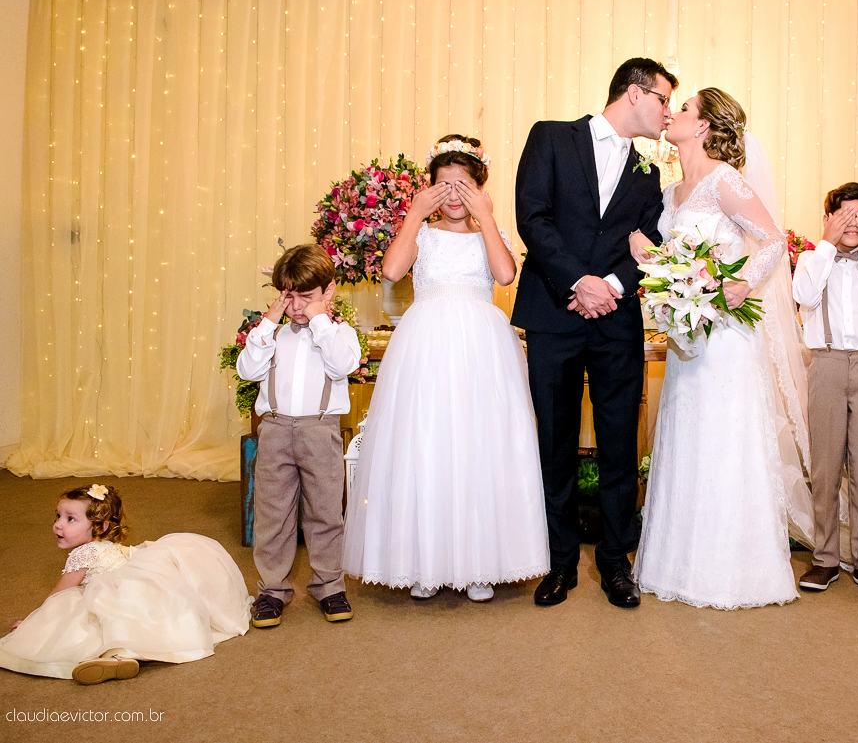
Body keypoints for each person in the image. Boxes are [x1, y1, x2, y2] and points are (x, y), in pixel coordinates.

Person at [342, 135, 549, 602]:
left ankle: (480, 562)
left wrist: (489, 216)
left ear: (479, 188)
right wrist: (414, 214)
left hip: (481, 345)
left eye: (464, 185)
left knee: (479, 444)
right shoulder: (424, 234)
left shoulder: (486, 233)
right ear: (429, 190)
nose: (453, 195)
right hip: (427, 343)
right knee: (426, 442)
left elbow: (504, 274)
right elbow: (393, 271)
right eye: (443, 185)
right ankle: (424, 560)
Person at [632, 88, 815, 610]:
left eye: (683, 109)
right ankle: (677, 564)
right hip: (688, 336)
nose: (673, 114)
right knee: (687, 437)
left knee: (724, 441)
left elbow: (774, 241)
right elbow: (670, 257)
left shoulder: (725, 181)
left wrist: (739, 285)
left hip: (727, 339)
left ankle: (734, 569)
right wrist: (653, 263)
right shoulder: (669, 194)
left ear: (706, 126)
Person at [513, 58, 676, 608]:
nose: (668, 113)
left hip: (616, 321)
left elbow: (651, 240)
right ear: (635, 93)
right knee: (554, 442)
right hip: (554, 315)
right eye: (663, 100)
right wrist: (578, 281)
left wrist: (607, 284)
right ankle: (559, 563)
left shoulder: (649, 175)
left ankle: (615, 561)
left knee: (618, 446)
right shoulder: (551, 138)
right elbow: (532, 217)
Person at [0, 485, 250, 685]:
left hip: (117, 600)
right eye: (58, 516)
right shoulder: (110, 548)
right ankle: (124, 656)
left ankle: (114, 656)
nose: (58, 524)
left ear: (102, 526)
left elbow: (60, 592)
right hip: (141, 599)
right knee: (133, 626)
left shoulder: (82, 554)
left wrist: (33, 622)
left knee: (79, 617)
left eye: (70, 519)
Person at [236, 244, 362, 626]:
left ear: (328, 292)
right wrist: (266, 326)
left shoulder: (340, 334)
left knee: (325, 512)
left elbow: (342, 366)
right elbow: (247, 370)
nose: (296, 307)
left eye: (306, 297)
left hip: (319, 431)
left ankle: (330, 586)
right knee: (272, 514)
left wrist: (319, 319)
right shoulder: (271, 335)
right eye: (289, 296)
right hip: (274, 429)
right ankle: (272, 590)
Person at [791, 183, 858, 598]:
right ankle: (824, 558)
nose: (853, 223)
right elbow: (802, 295)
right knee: (824, 463)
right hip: (826, 363)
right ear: (829, 219)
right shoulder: (809, 259)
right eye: (845, 215)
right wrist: (825, 244)